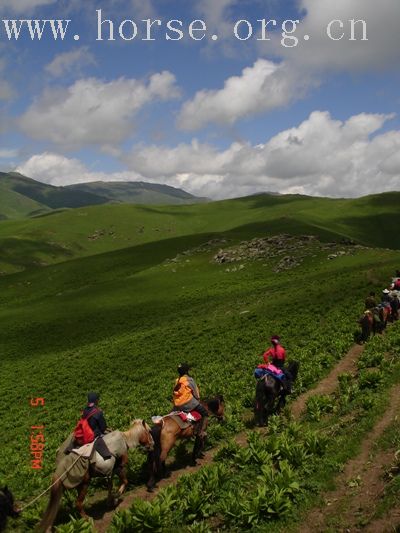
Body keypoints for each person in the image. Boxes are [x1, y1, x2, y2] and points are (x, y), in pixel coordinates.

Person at [69, 392, 112, 459]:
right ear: (96, 400)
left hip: (85, 432)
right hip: (94, 435)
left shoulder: (85, 410)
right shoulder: (98, 412)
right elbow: (103, 427)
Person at [172, 363, 208, 439]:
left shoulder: (177, 381)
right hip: (188, 403)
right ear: (186, 371)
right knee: (204, 413)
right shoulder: (189, 379)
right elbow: (195, 392)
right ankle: (201, 432)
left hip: (178, 405)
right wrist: (198, 400)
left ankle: (190, 421)